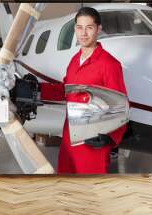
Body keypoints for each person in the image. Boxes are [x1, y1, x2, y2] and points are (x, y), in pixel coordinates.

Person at [41, 7, 127, 174]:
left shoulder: (109, 64)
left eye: (89, 27)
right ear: (75, 29)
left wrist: (110, 137)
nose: (84, 33)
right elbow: (66, 90)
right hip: (68, 138)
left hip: (92, 140)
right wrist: (37, 88)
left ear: (98, 29)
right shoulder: (74, 61)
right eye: (79, 27)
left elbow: (120, 104)